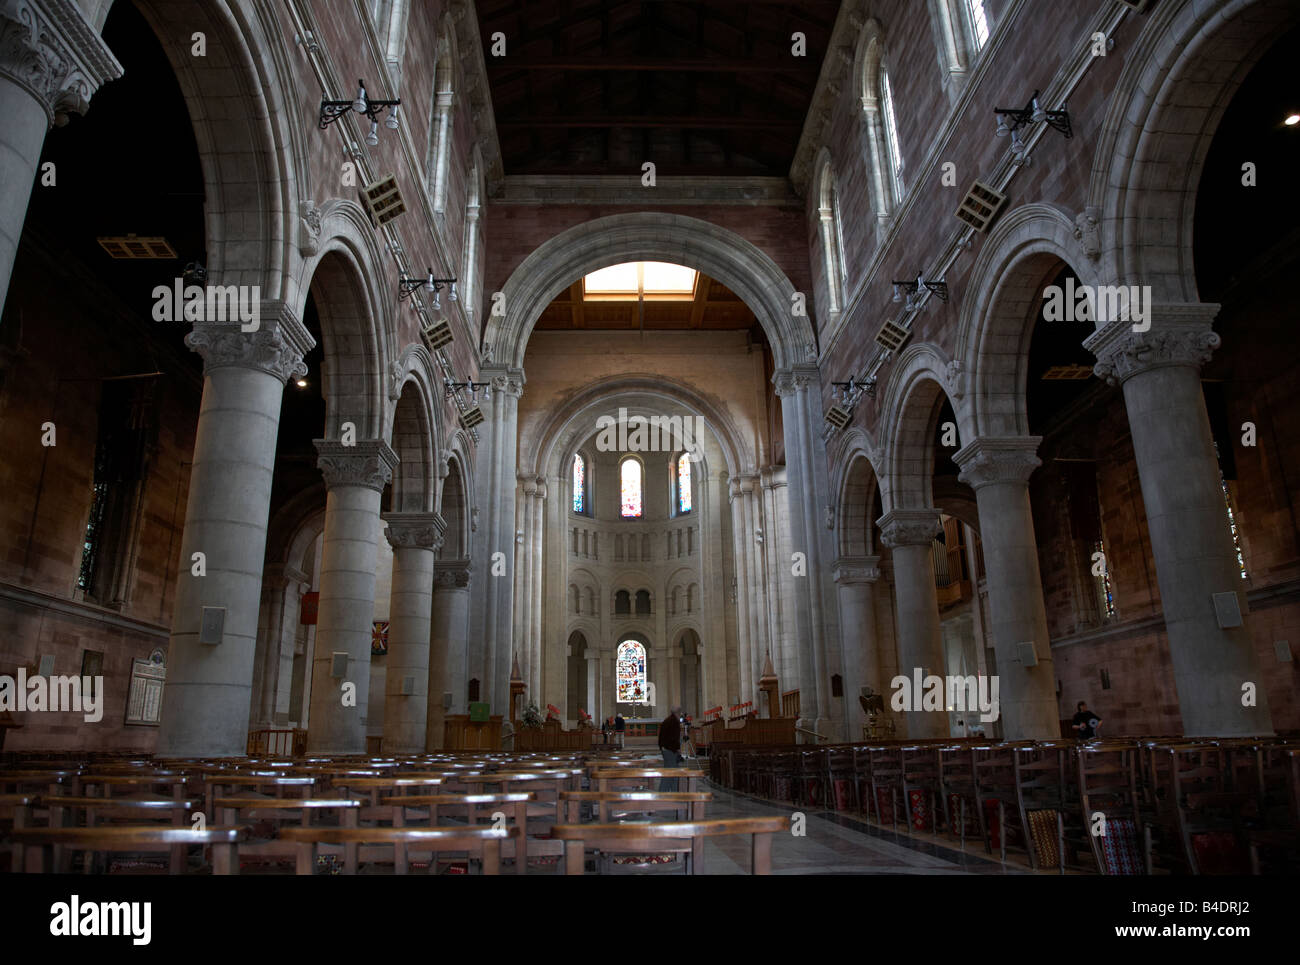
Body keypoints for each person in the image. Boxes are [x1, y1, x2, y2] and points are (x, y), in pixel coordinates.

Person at [658, 705, 683, 791]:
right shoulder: (674, 722)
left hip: (666, 749)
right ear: (678, 713)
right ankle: (664, 793)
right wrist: (678, 749)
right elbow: (674, 738)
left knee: (670, 772)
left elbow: (661, 737)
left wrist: (662, 747)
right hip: (670, 750)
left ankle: (672, 792)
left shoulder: (667, 720)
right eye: (680, 712)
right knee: (671, 773)